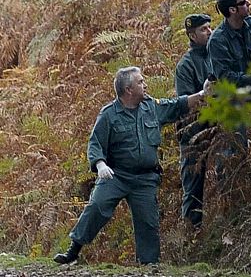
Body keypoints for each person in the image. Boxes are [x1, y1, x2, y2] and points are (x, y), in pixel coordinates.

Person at [54, 67, 208, 265]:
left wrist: (203, 94)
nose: (145, 85)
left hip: (145, 179)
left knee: (148, 223)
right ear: (128, 90)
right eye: (140, 82)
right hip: (116, 176)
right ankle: (73, 252)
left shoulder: (151, 107)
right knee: (97, 207)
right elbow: (95, 143)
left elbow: (178, 105)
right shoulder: (109, 115)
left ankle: (149, 265)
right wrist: (100, 164)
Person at [174, 13, 213, 230]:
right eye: (203, 29)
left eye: (210, 27)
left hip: (217, 127)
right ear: (192, 35)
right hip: (193, 134)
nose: (209, 32)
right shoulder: (185, 66)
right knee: (193, 187)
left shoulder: (216, 54)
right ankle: (190, 235)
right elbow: (186, 104)